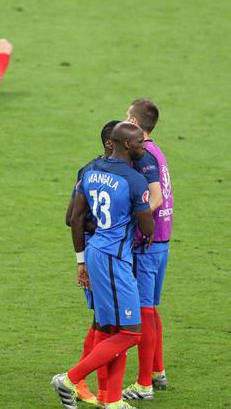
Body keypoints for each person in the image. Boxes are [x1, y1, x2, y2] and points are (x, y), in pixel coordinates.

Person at [52, 122, 154, 409]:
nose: (144, 147)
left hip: (95, 251)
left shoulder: (91, 172)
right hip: (114, 258)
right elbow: (147, 228)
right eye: (139, 144)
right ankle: (70, 379)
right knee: (131, 332)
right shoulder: (135, 181)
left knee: (109, 329)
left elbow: (74, 217)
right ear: (125, 146)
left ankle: (111, 399)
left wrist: (81, 261)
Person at [63, 119, 120, 407]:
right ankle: (80, 383)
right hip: (101, 257)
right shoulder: (91, 171)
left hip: (112, 256)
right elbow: (70, 218)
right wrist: (82, 260)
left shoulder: (119, 170)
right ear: (111, 143)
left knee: (104, 322)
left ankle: (89, 385)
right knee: (105, 323)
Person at [122, 99, 172, 400]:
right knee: (150, 309)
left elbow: (154, 197)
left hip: (147, 242)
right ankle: (157, 370)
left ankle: (143, 385)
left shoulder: (142, 155)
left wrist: (133, 220)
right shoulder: (157, 151)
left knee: (141, 311)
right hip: (162, 240)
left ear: (134, 121)